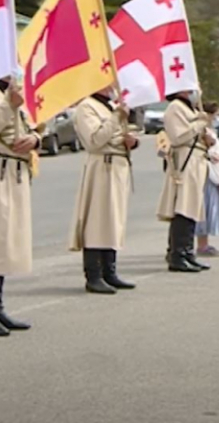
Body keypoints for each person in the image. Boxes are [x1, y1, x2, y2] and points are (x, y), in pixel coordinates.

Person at [69, 86, 140, 294]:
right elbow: (95, 140)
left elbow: (122, 135)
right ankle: (94, 275)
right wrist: (117, 117)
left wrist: (131, 142)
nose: (112, 87)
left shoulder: (109, 108)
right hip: (102, 166)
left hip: (118, 166)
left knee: (113, 221)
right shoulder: (86, 107)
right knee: (97, 221)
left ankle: (110, 271)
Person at [157, 90, 215, 273]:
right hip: (185, 160)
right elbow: (178, 136)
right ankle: (177, 254)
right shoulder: (175, 108)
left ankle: (188, 252)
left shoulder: (189, 109)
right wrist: (199, 124)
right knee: (183, 207)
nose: (195, 93)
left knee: (192, 208)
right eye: (190, 89)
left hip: (196, 160)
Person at [0, 78, 38, 335]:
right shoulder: (7, 99)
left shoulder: (13, 95)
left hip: (16, 171)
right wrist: (7, 106)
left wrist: (35, 139)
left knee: (6, 243)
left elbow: (32, 126)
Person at [196, 102, 219, 258]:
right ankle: (202, 245)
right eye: (216, 115)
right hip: (208, 178)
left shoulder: (211, 132)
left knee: (208, 211)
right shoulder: (204, 133)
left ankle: (204, 243)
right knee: (205, 211)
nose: (218, 118)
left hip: (211, 176)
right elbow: (211, 159)